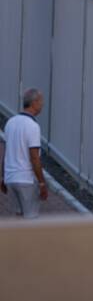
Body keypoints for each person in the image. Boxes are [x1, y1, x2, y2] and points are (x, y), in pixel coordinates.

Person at [0, 89, 49, 219]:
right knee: (31, 220)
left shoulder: (10, 122)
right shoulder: (32, 126)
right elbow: (34, 157)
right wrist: (42, 183)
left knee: (19, 219)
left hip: (11, 178)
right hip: (26, 179)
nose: (42, 105)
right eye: (41, 101)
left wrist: (3, 177)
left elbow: (6, 153)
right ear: (34, 103)